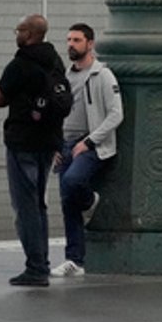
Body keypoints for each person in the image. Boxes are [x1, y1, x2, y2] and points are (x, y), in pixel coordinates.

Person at [0, 13, 68, 286]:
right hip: (49, 141)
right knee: (39, 204)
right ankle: (41, 262)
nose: (16, 34)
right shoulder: (55, 60)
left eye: (19, 29)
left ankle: (36, 267)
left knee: (25, 206)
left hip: (23, 140)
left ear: (30, 34)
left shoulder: (20, 64)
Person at [54, 23, 123, 277]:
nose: (71, 44)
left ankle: (90, 200)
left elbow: (116, 114)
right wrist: (55, 144)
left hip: (90, 144)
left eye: (77, 40)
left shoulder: (102, 75)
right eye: (69, 40)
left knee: (73, 183)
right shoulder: (65, 76)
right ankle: (75, 259)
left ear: (90, 44)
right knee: (66, 202)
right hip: (65, 142)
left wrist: (90, 141)